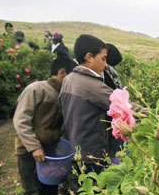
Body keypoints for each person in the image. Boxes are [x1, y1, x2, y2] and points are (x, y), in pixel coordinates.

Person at [59, 34, 144, 175]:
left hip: (75, 148)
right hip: (94, 155)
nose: (105, 65)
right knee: (100, 191)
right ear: (89, 57)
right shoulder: (94, 86)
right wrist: (153, 114)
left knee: (86, 189)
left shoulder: (69, 80)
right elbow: (126, 107)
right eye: (103, 59)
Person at [13, 56, 77, 195]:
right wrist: (34, 147)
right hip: (29, 153)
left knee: (50, 192)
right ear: (62, 73)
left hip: (49, 153)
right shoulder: (37, 89)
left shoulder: (63, 95)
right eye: (72, 77)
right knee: (33, 193)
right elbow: (20, 120)